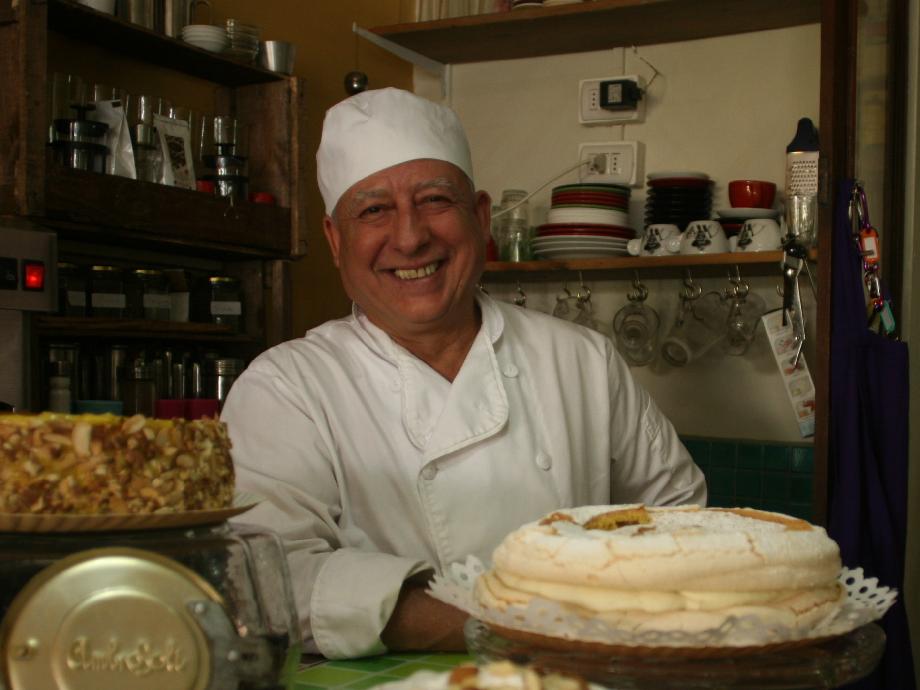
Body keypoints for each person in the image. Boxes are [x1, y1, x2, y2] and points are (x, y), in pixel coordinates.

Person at [221, 87, 707, 660]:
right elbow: (266, 577)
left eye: (434, 200)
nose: (410, 237)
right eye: (373, 210)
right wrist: (524, 624)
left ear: (479, 217)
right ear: (334, 239)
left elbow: (683, 525)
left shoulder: (582, 360)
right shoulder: (286, 387)